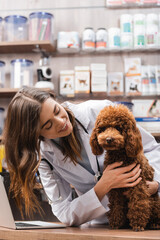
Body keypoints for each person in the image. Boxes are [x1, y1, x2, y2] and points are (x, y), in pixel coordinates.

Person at [3, 86, 160, 226]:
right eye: (48, 125)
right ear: (35, 134)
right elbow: (63, 212)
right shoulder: (44, 156)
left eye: (57, 110)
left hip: (146, 211)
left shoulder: (98, 111)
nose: (61, 122)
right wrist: (103, 186)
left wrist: (156, 184)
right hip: (103, 223)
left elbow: (152, 148)